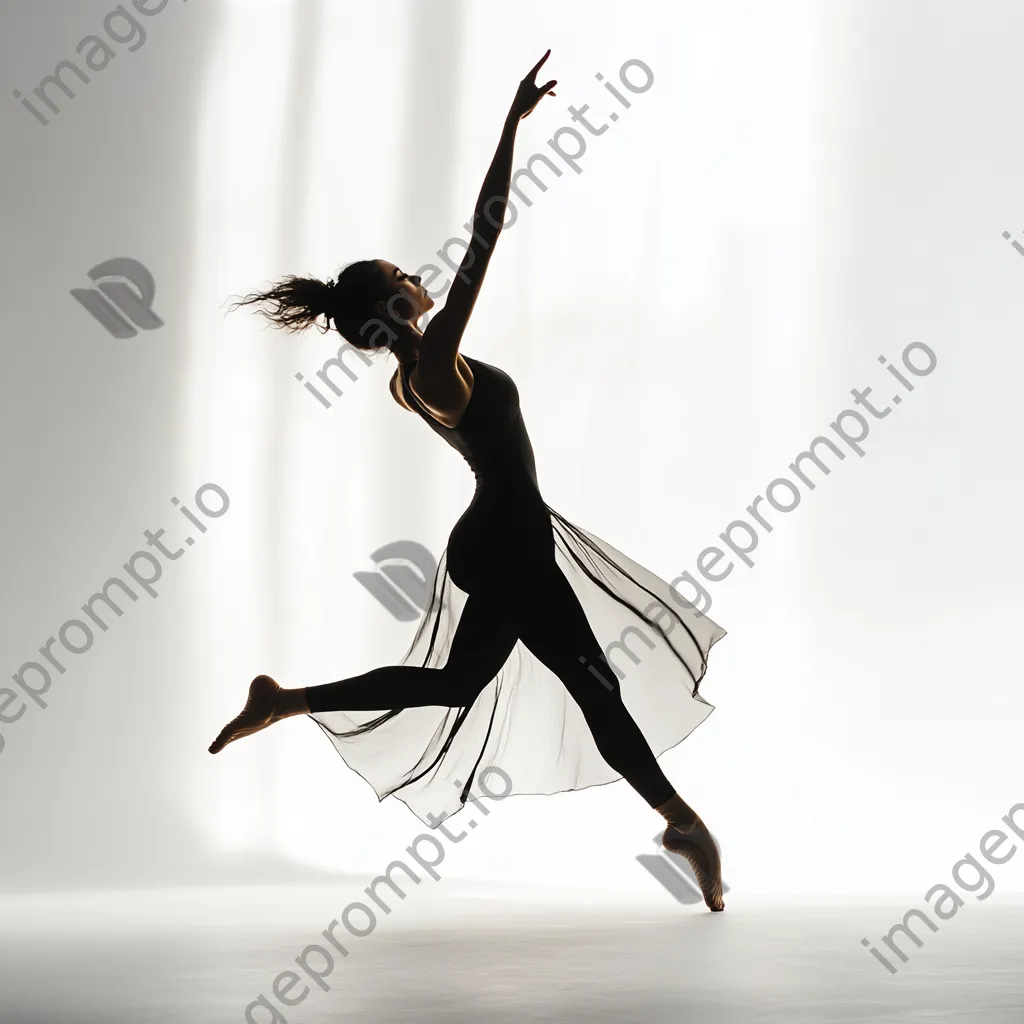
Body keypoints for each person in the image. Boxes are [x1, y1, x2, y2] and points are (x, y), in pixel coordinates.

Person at [212, 51, 728, 911]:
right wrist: (509, 127)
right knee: (588, 685)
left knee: (465, 684)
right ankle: (680, 819)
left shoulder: (406, 379)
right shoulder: (436, 364)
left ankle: (287, 699)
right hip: (508, 542)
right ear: (398, 306)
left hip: (501, 538)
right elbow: (486, 234)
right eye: (404, 276)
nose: (419, 276)